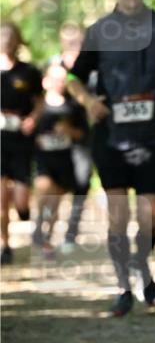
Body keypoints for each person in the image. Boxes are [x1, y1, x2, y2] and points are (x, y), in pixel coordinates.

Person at [67, 0, 155, 315]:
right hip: (111, 138)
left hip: (151, 139)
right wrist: (88, 101)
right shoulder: (99, 29)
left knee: (152, 221)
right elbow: (73, 78)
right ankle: (123, 286)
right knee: (118, 218)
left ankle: (142, 266)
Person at [33, 59, 89, 257]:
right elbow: (28, 131)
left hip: (64, 160)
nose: (59, 83)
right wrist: (37, 138)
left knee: (55, 202)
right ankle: (39, 224)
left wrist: (68, 131)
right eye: (54, 79)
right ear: (45, 81)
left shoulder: (73, 107)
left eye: (62, 80)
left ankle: (46, 238)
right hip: (44, 160)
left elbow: (83, 134)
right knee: (45, 190)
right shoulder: (38, 106)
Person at [0, 22, 43, 265]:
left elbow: (40, 102)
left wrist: (32, 119)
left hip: (21, 142)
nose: (5, 40)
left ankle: (24, 210)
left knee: (20, 199)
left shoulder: (28, 72)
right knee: (0, 200)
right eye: (1, 35)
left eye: (10, 36)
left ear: (18, 41)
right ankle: (5, 245)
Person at [58, 22, 93, 251]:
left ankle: (71, 232)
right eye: (68, 40)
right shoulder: (53, 66)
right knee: (53, 184)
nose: (73, 44)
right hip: (57, 137)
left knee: (82, 183)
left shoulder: (91, 66)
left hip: (86, 136)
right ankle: (47, 229)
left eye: (76, 40)